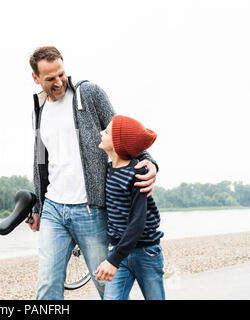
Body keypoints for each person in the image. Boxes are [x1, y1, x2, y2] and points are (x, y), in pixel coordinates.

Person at [27, 46, 159, 300]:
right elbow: (39, 160)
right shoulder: (39, 108)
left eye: (61, 74)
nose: (59, 82)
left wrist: (150, 161)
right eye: (50, 78)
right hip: (54, 208)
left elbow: (122, 129)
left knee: (107, 287)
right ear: (36, 78)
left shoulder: (88, 94)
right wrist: (38, 206)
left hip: (91, 210)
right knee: (46, 286)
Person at [94, 115, 165, 300]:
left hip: (146, 251)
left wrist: (113, 260)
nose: (101, 132)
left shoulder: (138, 173)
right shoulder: (108, 170)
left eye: (107, 131)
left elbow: (138, 222)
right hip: (118, 251)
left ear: (118, 143)